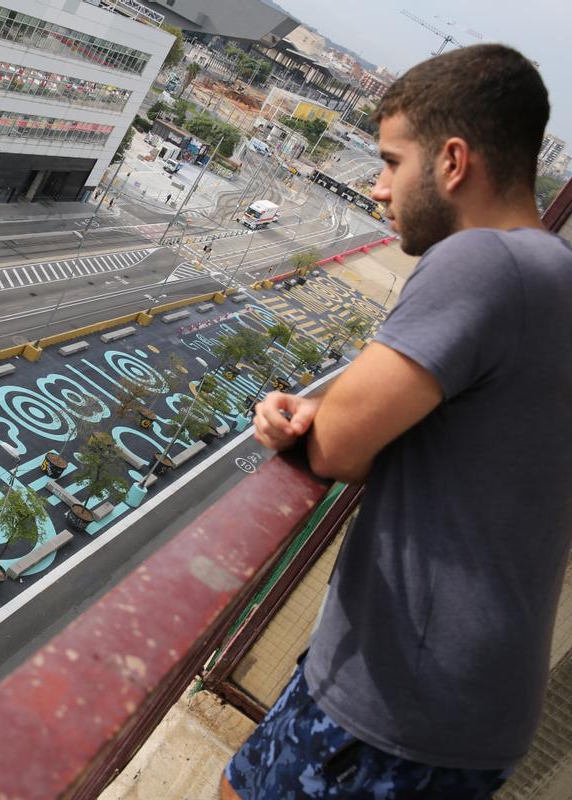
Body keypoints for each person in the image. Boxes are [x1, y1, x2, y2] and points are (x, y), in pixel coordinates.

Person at [224, 44, 572, 800]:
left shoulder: (483, 260)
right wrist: (335, 409)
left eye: (390, 161)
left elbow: (339, 449)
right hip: (468, 705)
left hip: (402, 701)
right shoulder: (553, 275)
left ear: (452, 162)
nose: (378, 188)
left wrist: (319, 416)